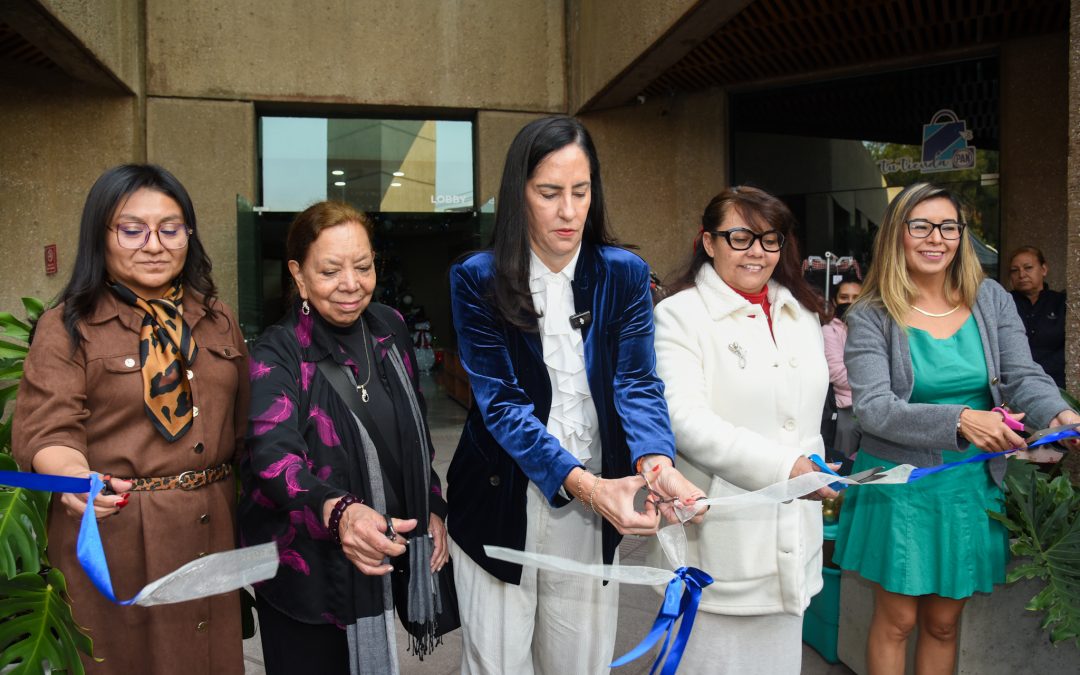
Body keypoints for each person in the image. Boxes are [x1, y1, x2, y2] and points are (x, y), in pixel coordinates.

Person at [446, 115, 705, 675]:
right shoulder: (477, 277)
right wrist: (589, 489)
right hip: (499, 498)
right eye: (549, 193)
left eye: (580, 191)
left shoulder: (625, 273)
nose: (568, 211)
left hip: (594, 499)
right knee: (497, 664)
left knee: (581, 661)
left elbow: (637, 381)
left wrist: (656, 463)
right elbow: (502, 406)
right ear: (519, 195)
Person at [834, 183, 1080, 675]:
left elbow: (1021, 373)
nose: (936, 238)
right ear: (896, 236)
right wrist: (962, 420)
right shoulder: (871, 313)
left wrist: (1058, 413)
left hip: (969, 484)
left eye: (948, 227)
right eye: (920, 226)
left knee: (945, 622)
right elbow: (875, 409)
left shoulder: (989, 298)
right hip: (901, 485)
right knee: (898, 618)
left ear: (961, 236)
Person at [13, 164, 248, 673]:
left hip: (209, 524)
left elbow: (247, 423)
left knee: (210, 658)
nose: (155, 244)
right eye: (132, 229)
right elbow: (48, 429)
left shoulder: (216, 317)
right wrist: (74, 477)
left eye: (171, 228)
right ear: (101, 235)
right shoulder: (68, 326)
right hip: (117, 532)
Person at [239, 201, 448, 675]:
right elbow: (274, 458)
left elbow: (413, 430)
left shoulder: (388, 327)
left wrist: (432, 503)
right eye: (331, 270)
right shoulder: (280, 352)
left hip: (375, 557)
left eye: (363, 266)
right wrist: (340, 511)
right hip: (305, 573)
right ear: (298, 274)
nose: (352, 284)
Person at [653, 185, 832, 674]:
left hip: (793, 542)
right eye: (740, 236)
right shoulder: (678, 316)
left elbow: (806, 420)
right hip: (722, 545)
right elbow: (686, 422)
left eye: (769, 239)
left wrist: (814, 469)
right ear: (708, 242)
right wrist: (785, 469)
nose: (757, 250)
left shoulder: (801, 312)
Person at [1008, 246, 1066, 388]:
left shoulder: (1062, 302)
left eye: (1028, 268)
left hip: (1056, 383)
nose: (1021, 275)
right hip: (1013, 382)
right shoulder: (1003, 302)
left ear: (1044, 269)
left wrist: (1039, 371)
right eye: (1015, 270)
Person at [822, 278, 863, 461]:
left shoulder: (876, 328)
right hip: (846, 407)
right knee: (844, 463)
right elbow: (836, 373)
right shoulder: (829, 331)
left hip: (876, 405)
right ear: (834, 301)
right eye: (844, 297)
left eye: (856, 297)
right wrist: (873, 383)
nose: (850, 302)